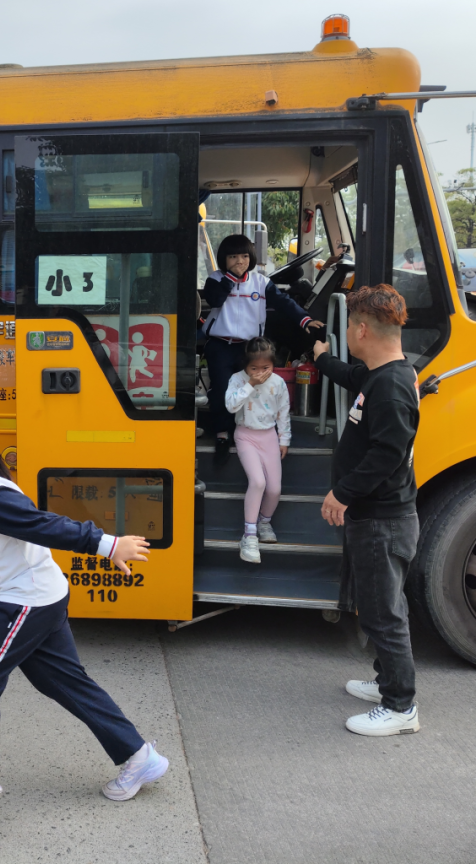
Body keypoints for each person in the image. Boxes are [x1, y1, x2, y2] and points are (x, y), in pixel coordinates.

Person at [0, 417, 166, 827]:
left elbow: (46, 525)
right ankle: (140, 757)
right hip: (39, 595)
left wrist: (108, 543)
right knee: (64, 682)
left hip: (26, 599)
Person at [314, 284, 421, 737]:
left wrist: (342, 493)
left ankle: (401, 707)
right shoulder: (381, 374)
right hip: (375, 517)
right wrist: (322, 360)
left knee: (383, 614)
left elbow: (387, 454)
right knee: (379, 605)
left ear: (360, 329)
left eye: (348, 327)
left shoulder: (393, 387)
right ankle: (386, 683)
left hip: (382, 521)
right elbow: (352, 377)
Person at [202, 234, 323, 462]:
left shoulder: (260, 282)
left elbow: (284, 302)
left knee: (254, 390)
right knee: (221, 389)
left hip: (250, 349)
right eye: (233, 256)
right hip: (221, 346)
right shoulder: (216, 279)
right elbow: (215, 300)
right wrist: (231, 278)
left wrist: (304, 320)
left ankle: (252, 431)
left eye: (245, 256)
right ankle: (221, 433)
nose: (240, 261)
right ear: (223, 259)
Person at [225, 336, 291, 564]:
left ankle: (264, 522)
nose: (260, 372)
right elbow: (231, 405)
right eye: (254, 368)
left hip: (269, 436)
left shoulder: (279, 383)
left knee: (274, 489)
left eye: (266, 367)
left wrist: (284, 439)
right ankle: (249, 535)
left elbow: (284, 412)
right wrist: (250, 384)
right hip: (245, 435)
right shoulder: (237, 379)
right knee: (258, 482)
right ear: (245, 365)